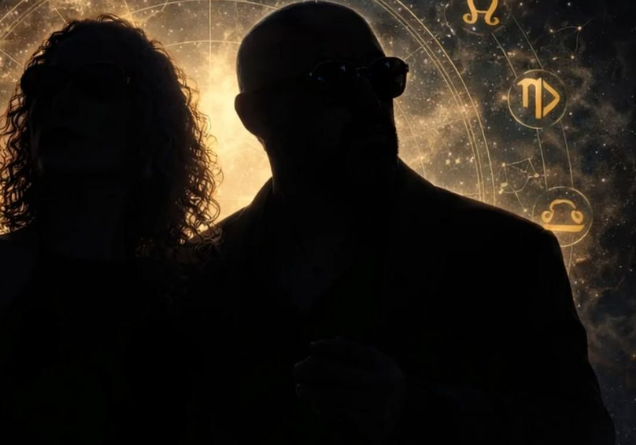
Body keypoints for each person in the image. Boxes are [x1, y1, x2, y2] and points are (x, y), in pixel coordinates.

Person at [180, 2, 616, 444]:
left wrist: (416, 411)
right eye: (333, 79)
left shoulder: (509, 256)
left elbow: (584, 431)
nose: (369, 101)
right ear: (255, 115)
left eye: (382, 75)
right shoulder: (192, 274)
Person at [0, 14, 219, 445]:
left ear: (146, 119)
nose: (60, 103)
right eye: (44, 84)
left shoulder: (193, 286)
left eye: (98, 84)